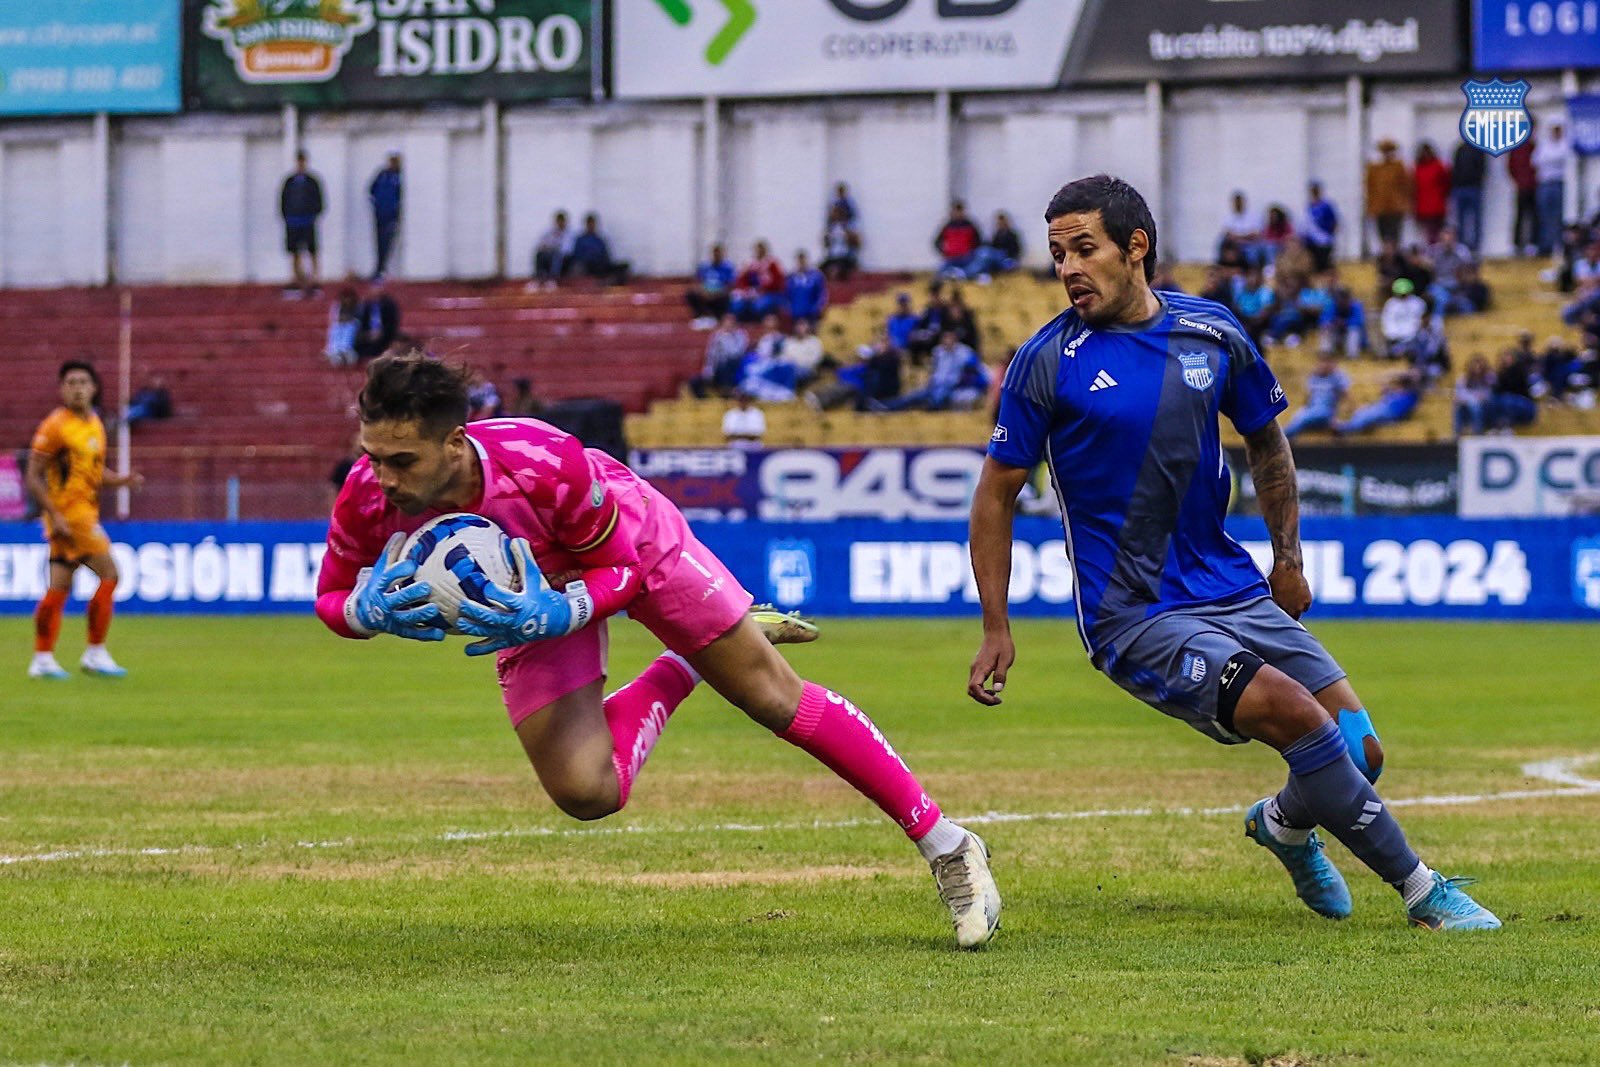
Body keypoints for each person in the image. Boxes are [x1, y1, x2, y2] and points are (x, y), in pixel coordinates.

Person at [316, 353, 1001, 948]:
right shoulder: (368, 493)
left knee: (770, 696)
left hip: (628, 548)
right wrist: (362, 610)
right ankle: (682, 664)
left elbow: (621, 571)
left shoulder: (543, 461)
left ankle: (948, 845)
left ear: (455, 442)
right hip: (531, 597)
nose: (385, 477)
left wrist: (564, 607)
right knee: (587, 791)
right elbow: (330, 596)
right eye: (375, 457)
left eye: (402, 460)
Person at [968, 173, 1499, 931]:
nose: (1068, 268)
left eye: (1084, 249)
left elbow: (1268, 442)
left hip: (1231, 587)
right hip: (1135, 612)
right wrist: (996, 624)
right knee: (1294, 712)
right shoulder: (1046, 360)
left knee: (1361, 749)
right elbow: (995, 494)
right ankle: (1424, 893)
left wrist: (1288, 558)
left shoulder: (1212, 332)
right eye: (1057, 254)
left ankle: (1282, 825)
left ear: (1136, 247)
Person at [26, 360, 143, 680]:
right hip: (72, 517)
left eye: (83, 382)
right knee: (110, 574)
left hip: (78, 515)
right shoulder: (55, 426)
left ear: (93, 388)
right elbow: (33, 475)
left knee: (60, 584)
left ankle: (43, 658)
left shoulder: (95, 424)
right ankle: (95, 652)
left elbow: (91, 473)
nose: (77, 388)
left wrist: (121, 480)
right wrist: (54, 514)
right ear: (62, 389)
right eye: (70, 382)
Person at [876, 330, 988, 412]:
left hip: (950, 386)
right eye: (945, 339)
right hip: (935, 385)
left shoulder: (964, 352)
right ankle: (886, 406)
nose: (947, 341)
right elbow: (934, 370)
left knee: (937, 398)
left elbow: (974, 369)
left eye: (950, 339)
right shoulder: (938, 352)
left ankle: (931, 406)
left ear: (955, 340)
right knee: (913, 396)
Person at [280, 149, 324, 298]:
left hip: (308, 220)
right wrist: (286, 216)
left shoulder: (312, 181)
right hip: (293, 221)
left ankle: (314, 278)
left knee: (312, 250)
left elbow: (319, 199)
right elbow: (283, 200)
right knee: (294, 251)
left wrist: (314, 213)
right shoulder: (289, 181)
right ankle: (296, 278)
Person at [1335, 369, 1422, 435]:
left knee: (1368, 414)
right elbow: (1385, 394)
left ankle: (1345, 428)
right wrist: (1384, 385)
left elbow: (1408, 377)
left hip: (1391, 413)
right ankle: (1347, 426)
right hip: (1383, 408)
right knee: (1362, 410)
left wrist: (1406, 375)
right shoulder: (1396, 392)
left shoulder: (1414, 394)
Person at [1283, 355, 1349, 439]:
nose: (1323, 365)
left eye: (1326, 362)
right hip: (1312, 410)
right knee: (1299, 415)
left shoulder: (1336, 378)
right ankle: (1287, 437)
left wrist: (1340, 415)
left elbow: (1346, 397)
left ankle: (1284, 437)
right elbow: (1308, 398)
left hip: (1326, 411)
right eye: (1322, 362)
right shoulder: (1314, 377)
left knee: (1302, 418)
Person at [687, 313, 749, 399]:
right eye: (726, 323)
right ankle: (704, 401)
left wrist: (727, 338)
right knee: (694, 381)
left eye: (730, 323)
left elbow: (737, 353)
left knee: (728, 363)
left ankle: (728, 390)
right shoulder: (717, 335)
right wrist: (708, 369)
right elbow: (711, 354)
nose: (728, 325)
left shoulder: (740, 335)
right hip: (717, 369)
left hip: (734, 368)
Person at [1533, 121, 1570, 257]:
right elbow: (1536, 161)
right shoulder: (1545, 144)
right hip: (1544, 183)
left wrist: (1549, 160)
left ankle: (1557, 245)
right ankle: (1545, 246)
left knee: (1557, 216)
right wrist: (1551, 160)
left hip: (1557, 182)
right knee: (1544, 216)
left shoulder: (1565, 143)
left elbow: (1559, 157)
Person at [1365, 138, 1410, 247]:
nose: (1387, 154)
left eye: (1389, 151)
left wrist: (1404, 204)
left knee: (1395, 234)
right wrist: (1371, 206)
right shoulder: (1374, 168)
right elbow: (1370, 188)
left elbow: (1406, 187)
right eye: (1385, 151)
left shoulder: (1399, 166)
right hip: (1380, 208)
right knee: (1382, 234)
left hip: (1396, 208)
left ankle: (1395, 256)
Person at [730, 241, 785, 322]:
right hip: (752, 292)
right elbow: (741, 280)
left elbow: (778, 282)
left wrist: (762, 290)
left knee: (759, 306)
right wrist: (746, 290)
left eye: (761, 249)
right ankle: (743, 323)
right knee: (737, 305)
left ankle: (761, 323)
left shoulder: (772, 264)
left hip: (768, 293)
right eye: (757, 250)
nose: (759, 252)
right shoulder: (750, 264)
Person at [369, 151, 403, 279]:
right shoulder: (382, 174)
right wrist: (376, 204)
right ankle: (379, 268)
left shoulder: (399, 176)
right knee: (379, 242)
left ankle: (382, 268)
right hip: (379, 213)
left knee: (387, 242)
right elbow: (371, 189)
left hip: (392, 215)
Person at [570, 213, 629, 285]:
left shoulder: (600, 239)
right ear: (586, 224)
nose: (591, 225)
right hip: (589, 265)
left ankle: (609, 282)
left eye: (593, 223)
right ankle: (606, 281)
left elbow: (606, 254)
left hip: (602, 264)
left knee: (624, 266)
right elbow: (577, 256)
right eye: (590, 223)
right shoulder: (580, 240)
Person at [686, 243, 735, 326]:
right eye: (715, 253)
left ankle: (718, 317)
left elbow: (730, 285)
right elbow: (698, 281)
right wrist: (702, 291)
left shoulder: (727, 267)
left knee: (726, 297)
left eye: (718, 253)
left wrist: (716, 293)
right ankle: (700, 315)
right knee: (691, 294)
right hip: (705, 292)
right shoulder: (705, 267)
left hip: (719, 294)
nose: (716, 255)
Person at [1412, 142, 1451, 245]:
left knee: (1437, 231)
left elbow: (1446, 183)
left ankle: (1438, 249)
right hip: (1423, 207)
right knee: (1428, 232)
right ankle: (1431, 250)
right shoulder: (1418, 168)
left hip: (1437, 206)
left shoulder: (1438, 166)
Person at [1450, 139, 1485, 253]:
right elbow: (1455, 167)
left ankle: (1475, 246)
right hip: (1460, 188)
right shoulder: (1459, 149)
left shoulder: (1479, 149)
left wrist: (1477, 181)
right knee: (1460, 219)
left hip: (1473, 188)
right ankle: (1461, 245)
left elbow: (1483, 168)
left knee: (1476, 219)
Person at [1508, 125, 1538, 256]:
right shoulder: (1516, 147)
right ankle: (1517, 244)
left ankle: (1532, 242)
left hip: (1534, 186)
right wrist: (1519, 180)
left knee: (1534, 215)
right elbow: (1511, 166)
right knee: (1520, 215)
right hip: (1522, 186)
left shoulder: (1534, 146)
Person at [353, 279, 400, 361]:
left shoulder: (389, 305)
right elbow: (362, 323)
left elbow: (392, 323)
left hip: (385, 334)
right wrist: (368, 334)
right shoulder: (366, 305)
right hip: (369, 334)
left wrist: (381, 332)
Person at [933, 201, 983, 277]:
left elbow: (978, 241)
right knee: (939, 273)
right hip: (951, 258)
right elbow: (936, 242)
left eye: (960, 211)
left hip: (966, 258)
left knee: (975, 268)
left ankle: (961, 273)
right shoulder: (947, 226)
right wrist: (944, 252)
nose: (958, 213)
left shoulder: (970, 225)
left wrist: (972, 252)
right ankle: (957, 274)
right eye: (956, 211)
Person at [1219, 191, 1265, 267]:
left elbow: (1256, 234)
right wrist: (1243, 237)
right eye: (1235, 202)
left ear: (1244, 202)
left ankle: (1252, 272)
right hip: (1234, 245)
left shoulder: (1253, 216)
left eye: (1239, 202)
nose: (1237, 204)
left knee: (1253, 252)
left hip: (1250, 244)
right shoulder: (1228, 218)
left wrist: (1240, 237)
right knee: (1221, 243)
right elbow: (1227, 233)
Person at [1301, 182, 1339, 272]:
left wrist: (1329, 234)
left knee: (1324, 263)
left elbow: (1333, 221)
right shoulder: (1309, 206)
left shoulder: (1326, 206)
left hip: (1324, 238)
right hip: (1311, 240)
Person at [784, 250, 828, 327]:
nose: (801, 262)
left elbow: (822, 293)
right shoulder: (791, 278)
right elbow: (786, 295)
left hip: (812, 313)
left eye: (803, 260)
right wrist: (790, 309)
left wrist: (818, 307)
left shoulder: (816, 276)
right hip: (796, 313)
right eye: (799, 260)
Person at [1454, 356, 1494, 437]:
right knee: (1459, 407)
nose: (1477, 369)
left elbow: (1488, 395)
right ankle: (1457, 434)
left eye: (1479, 367)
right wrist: (1471, 399)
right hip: (1466, 406)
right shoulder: (1462, 379)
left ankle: (1478, 432)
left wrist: (1471, 399)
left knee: (1474, 406)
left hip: (1485, 407)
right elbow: (1458, 396)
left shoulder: (1488, 378)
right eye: (1474, 366)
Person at [532, 210, 574, 288]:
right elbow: (541, 244)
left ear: (565, 221)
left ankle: (553, 279)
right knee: (539, 254)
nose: (560, 223)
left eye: (562, 221)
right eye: (558, 221)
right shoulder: (549, 232)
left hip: (564, 258)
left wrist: (553, 248)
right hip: (550, 255)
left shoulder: (569, 233)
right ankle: (538, 278)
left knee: (557, 255)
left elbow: (567, 249)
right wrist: (546, 248)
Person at [820, 204, 861, 281]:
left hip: (844, 256)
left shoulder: (849, 226)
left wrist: (847, 233)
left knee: (842, 270)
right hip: (832, 256)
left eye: (837, 213)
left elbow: (856, 243)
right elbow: (826, 244)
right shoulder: (831, 228)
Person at [325, 285, 360, 367]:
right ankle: (333, 349)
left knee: (349, 327)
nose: (347, 300)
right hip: (340, 324)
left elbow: (358, 318)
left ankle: (345, 348)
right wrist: (341, 319)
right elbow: (333, 318)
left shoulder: (357, 306)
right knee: (335, 327)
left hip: (353, 324)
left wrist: (348, 319)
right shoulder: (337, 306)